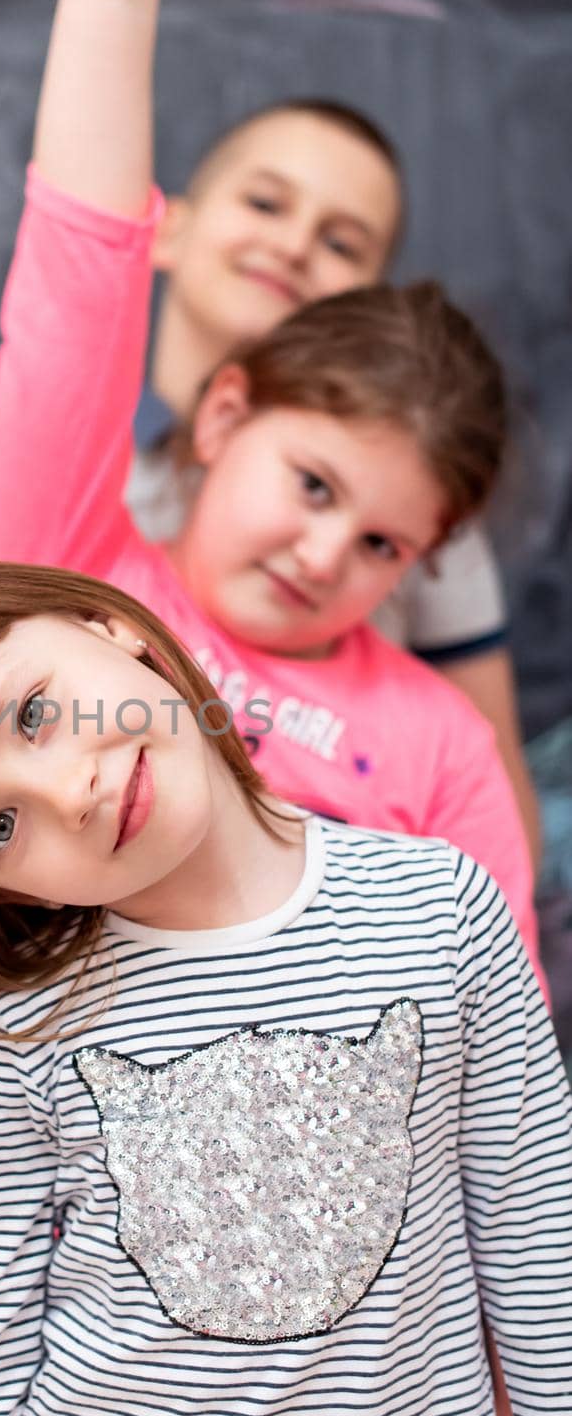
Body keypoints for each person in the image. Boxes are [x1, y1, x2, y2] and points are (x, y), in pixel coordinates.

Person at [0, 547, 572, 1416]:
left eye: (30, 713)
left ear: (115, 629)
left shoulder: (437, 913)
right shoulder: (10, 1036)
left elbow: (539, 1259)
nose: (67, 793)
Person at [0, 0, 548, 1001]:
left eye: (379, 540)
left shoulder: (439, 746)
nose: (324, 551)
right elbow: (72, 291)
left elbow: (494, 1036)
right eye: (312, 486)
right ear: (227, 416)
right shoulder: (70, 548)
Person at [134, 94, 543, 865]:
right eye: (264, 202)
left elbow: (490, 796)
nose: (291, 247)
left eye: (340, 244)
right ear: (170, 225)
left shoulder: (421, 496)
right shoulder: (78, 483)